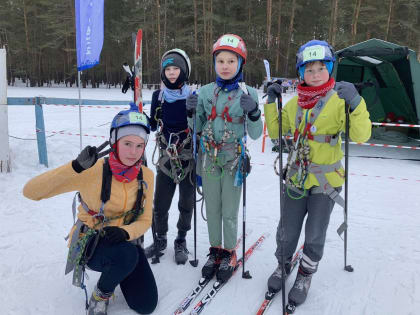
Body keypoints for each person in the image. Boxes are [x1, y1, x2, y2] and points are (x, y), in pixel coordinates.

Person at [264, 39, 371, 308]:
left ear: (330, 70)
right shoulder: (294, 104)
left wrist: (357, 104)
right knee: (287, 228)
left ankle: (305, 274)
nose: (314, 75)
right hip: (297, 176)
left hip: (326, 180)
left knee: (314, 233)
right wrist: (270, 101)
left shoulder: (339, 101)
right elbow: (277, 131)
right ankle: (283, 265)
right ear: (301, 73)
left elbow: (361, 135)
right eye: (308, 70)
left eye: (320, 69)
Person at [23, 104, 158, 315]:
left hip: (124, 241)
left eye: (139, 146)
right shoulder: (92, 170)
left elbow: (146, 219)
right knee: (127, 256)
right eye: (127, 143)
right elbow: (31, 191)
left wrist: (126, 232)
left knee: (146, 304)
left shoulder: (146, 176)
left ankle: (119, 269)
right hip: (91, 242)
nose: (133, 152)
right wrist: (75, 167)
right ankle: (100, 296)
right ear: (114, 142)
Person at [186, 34, 263, 282]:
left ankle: (229, 251)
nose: (226, 65)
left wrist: (253, 112)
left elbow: (256, 132)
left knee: (229, 210)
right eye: (221, 60)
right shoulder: (206, 91)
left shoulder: (248, 92)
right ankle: (215, 250)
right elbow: (196, 126)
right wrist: (190, 111)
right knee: (213, 207)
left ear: (240, 63)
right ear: (214, 63)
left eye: (231, 60)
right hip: (209, 159)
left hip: (233, 161)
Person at [146, 49, 194, 264]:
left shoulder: (193, 96)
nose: (172, 73)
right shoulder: (159, 95)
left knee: (186, 201)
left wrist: (195, 112)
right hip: (166, 157)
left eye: (176, 68)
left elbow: (200, 125)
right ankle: (161, 237)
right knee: (161, 202)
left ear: (184, 71)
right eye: (168, 69)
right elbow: (153, 124)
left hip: (187, 156)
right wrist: (141, 117)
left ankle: (181, 239)